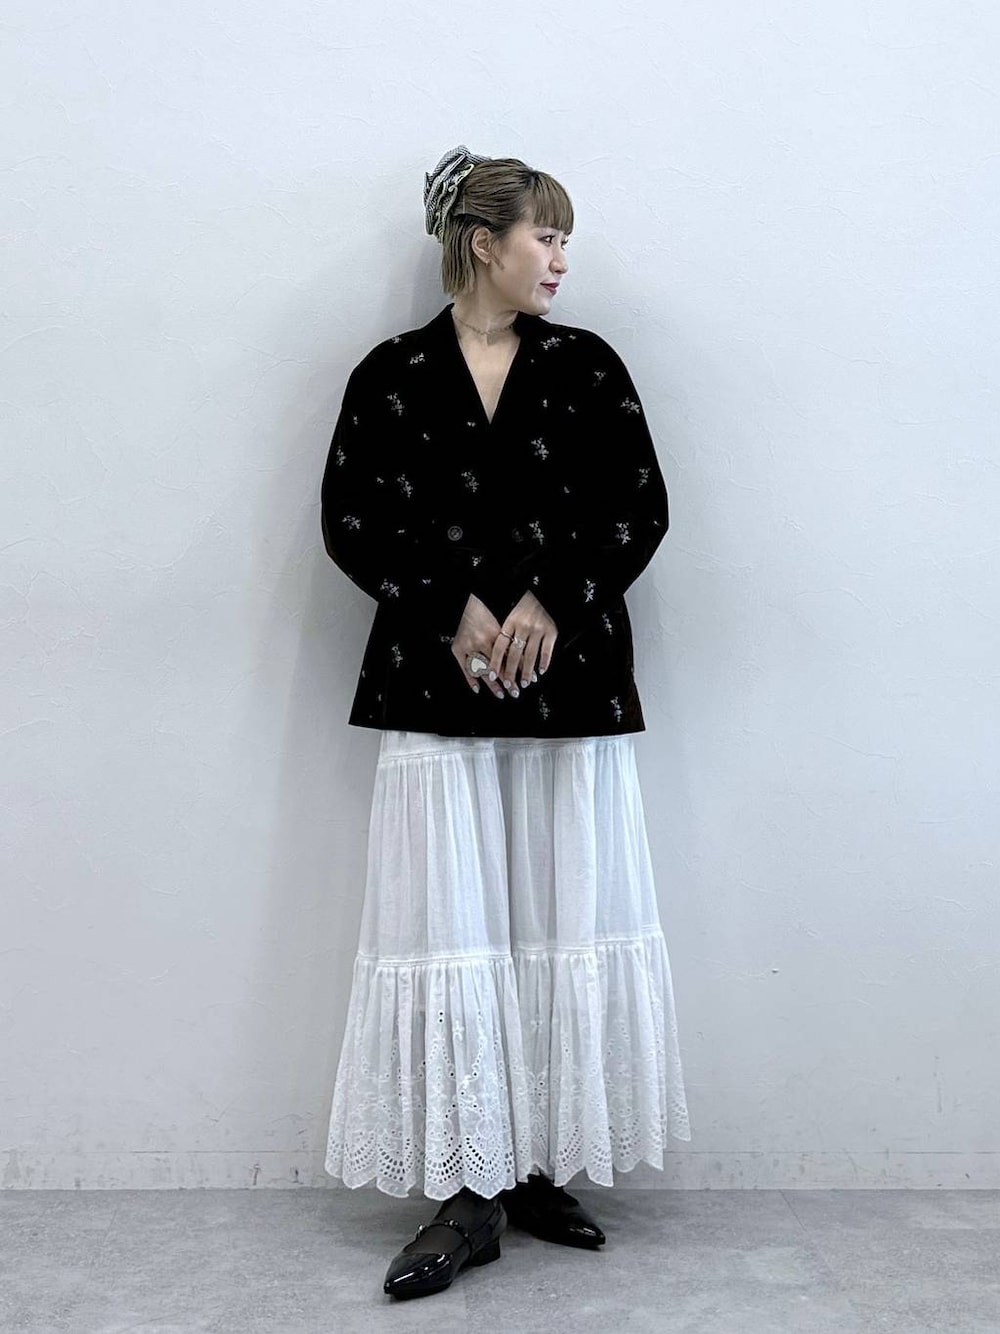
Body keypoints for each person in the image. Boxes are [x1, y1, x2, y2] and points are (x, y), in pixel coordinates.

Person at [320, 144, 691, 1301]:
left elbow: (638, 506)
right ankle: (465, 1185)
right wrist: (455, 609)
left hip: (568, 683)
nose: (562, 256)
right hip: (435, 687)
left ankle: (529, 1167)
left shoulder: (587, 367)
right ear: (484, 242)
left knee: (554, 917)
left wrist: (547, 602)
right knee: (453, 925)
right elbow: (350, 518)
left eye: (563, 237)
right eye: (546, 234)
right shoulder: (391, 373)